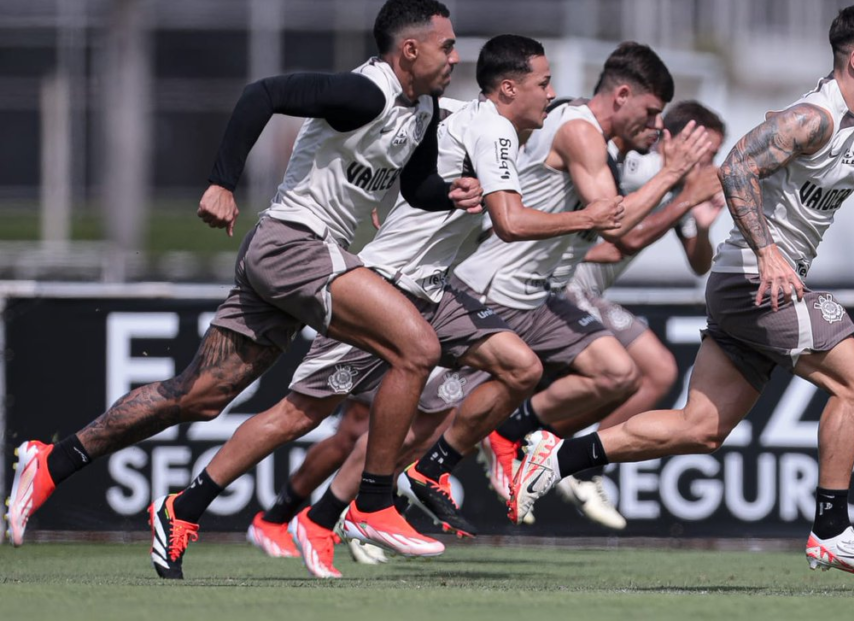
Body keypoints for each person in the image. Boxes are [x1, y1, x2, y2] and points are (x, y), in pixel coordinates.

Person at [507, 3, 854, 577]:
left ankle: (558, 455)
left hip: (749, 285)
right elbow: (735, 167)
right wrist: (770, 251)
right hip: (754, 278)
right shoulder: (811, 119)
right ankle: (830, 528)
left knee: (701, 428)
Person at [6, 0, 483, 578]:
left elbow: (412, 187)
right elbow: (264, 93)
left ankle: (56, 461)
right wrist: (221, 182)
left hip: (291, 258)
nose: (456, 58)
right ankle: (374, 502)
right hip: (294, 246)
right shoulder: (367, 92)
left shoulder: (422, 110)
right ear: (410, 50)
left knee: (199, 397)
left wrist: (455, 192)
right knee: (417, 348)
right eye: (448, 46)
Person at [156, 34, 624, 578]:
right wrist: (590, 217)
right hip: (387, 286)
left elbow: (423, 144)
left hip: (435, 290)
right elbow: (511, 222)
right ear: (509, 87)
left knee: (521, 366)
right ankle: (189, 506)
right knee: (300, 415)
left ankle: (420, 475)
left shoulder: (470, 117)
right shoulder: (494, 128)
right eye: (543, 84)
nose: (552, 93)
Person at [455, 42, 714, 515]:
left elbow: (696, 259)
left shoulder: (620, 149)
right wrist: (679, 186)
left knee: (624, 372)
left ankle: (538, 449)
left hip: (536, 292)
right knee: (418, 414)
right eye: (653, 114)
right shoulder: (605, 143)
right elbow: (618, 233)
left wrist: (695, 206)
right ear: (622, 96)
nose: (657, 128)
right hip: (494, 284)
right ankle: (335, 507)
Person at [549, 100, 726, 529]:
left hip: (584, 291)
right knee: (651, 369)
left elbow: (699, 263)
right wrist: (684, 200)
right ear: (671, 137)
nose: (709, 164)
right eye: (704, 152)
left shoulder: (677, 187)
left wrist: (700, 223)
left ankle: (569, 458)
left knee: (656, 374)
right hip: (560, 284)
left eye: (714, 157)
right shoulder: (634, 164)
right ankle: (557, 453)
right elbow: (620, 238)